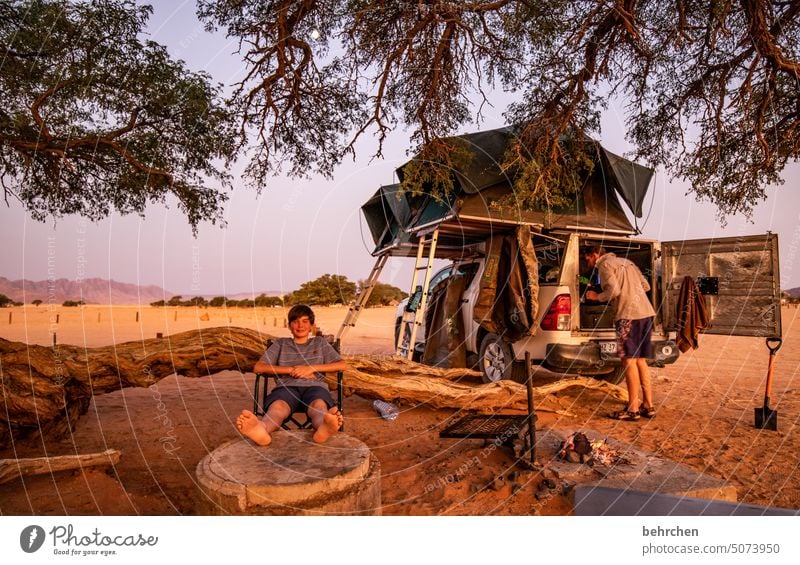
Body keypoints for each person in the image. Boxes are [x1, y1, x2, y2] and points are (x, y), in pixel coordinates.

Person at [236, 304, 346, 445]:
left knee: (319, 406)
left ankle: (324, 427)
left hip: (315, 386)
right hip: (286, 387)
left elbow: (342, 364)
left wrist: (310, 368)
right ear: (289, 325)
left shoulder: (320, 343)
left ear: (312, 325)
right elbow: (258, 367)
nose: (300, 326)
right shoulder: (281, 344)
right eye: (295, 321)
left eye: (305, 321)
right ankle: (261, 429)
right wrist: (291, 370)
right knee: (278, 407)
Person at [583, 246, 657, 421]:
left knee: (628, 362)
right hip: (646, 314)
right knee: (640, 361)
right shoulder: (627, 262)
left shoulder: (605, 265)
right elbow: (645, 286)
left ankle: (632, 409)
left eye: (588, 259)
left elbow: (613, 291)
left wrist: (595, 297)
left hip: (627, 317)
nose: (589, 263)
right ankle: (648, 405)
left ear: (595, 255)